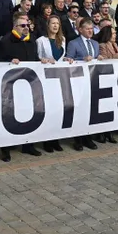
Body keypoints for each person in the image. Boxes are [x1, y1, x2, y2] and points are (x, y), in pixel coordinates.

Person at [0, 12, 47, 161]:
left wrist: (40, 61)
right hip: (10, 85)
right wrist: (10, 61)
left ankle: (28, 145)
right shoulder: (6, 41)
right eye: (23, 25)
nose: (26, 28)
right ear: (15, 26)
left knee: (28, 113)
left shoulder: (32, 41)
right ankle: (5, 149)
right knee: (9, 116)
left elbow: (34, 59)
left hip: (27, 85)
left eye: (28, 25)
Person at [35, 14, 73, 154]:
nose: (55, 26)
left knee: (58, 111)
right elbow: (37, 58)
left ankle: (56, 139)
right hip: (46, 80)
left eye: (57, 23)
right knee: (48, 111)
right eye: (53, 23)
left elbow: (61, 58)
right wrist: (42, 60)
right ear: (48, 25)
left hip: (59, 79)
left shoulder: (62, 40)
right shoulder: (41, 41)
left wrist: (67, 59)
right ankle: (47, 141)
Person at [66, 18, 101, 150]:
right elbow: (69, 61)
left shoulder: (96, 44)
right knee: (79, 111)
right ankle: (78, 140)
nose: (90, 31)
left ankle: (88, 138)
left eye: (92, 29)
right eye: (87, 29)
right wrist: (82, 59)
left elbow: (97, 59)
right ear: (80, 30)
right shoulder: (73, 43)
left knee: (90, 110)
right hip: (78, 81)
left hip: (92, 81)